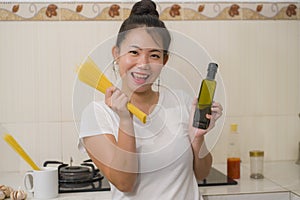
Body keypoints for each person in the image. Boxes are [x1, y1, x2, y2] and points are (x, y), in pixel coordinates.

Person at [79, 0, 223, 199]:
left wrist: (198, 137)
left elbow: (201, 173)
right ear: (116, 54)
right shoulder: (96, 114)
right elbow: (124, 182)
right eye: (134, 52)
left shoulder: (181, 102)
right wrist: (125, 119)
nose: (143, 64)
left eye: (154, 55)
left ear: (164, 61)